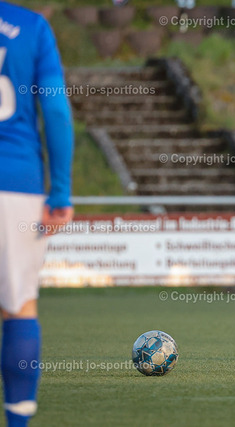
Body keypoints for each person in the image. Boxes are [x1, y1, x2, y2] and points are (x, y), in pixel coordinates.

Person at [0, 2, 74, 425]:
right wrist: (60, 191)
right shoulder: (31, 27)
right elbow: (56, 111)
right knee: (19, 307)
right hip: (16, 182)